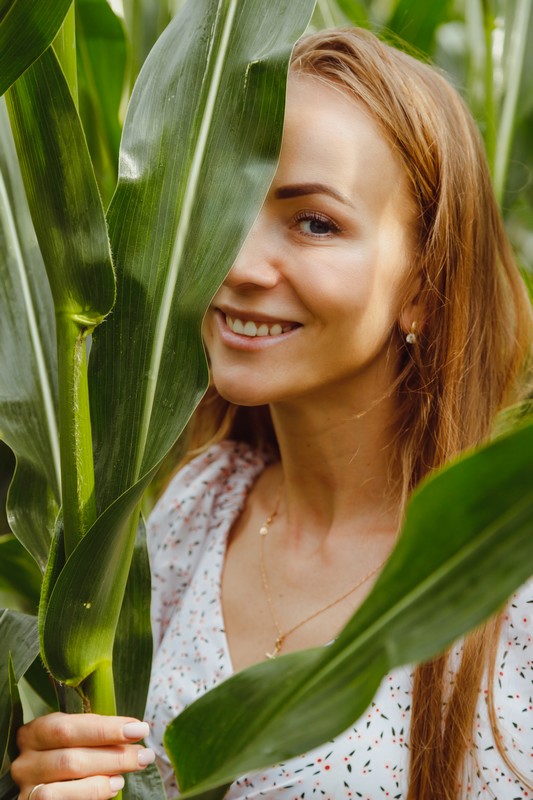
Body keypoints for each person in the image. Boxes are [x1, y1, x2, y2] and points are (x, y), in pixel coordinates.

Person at [11, 26, 532, 800]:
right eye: (223, 207)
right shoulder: (190, 512)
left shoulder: (505, 566)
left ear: (422, 282)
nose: (240, 264)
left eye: (314, 222)